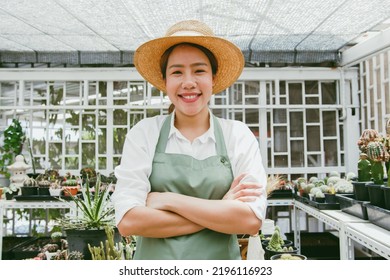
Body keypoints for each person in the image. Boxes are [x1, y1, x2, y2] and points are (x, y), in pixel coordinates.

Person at [112, 20, 267, 260]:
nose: (188, 82)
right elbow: (128, 221)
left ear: (213, 78)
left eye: (199, 70)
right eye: (176, 72)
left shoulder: (237, 135)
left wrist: (166, 199)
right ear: (165, 82)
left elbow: (250, 221)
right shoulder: (144, 134)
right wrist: (220, 209)